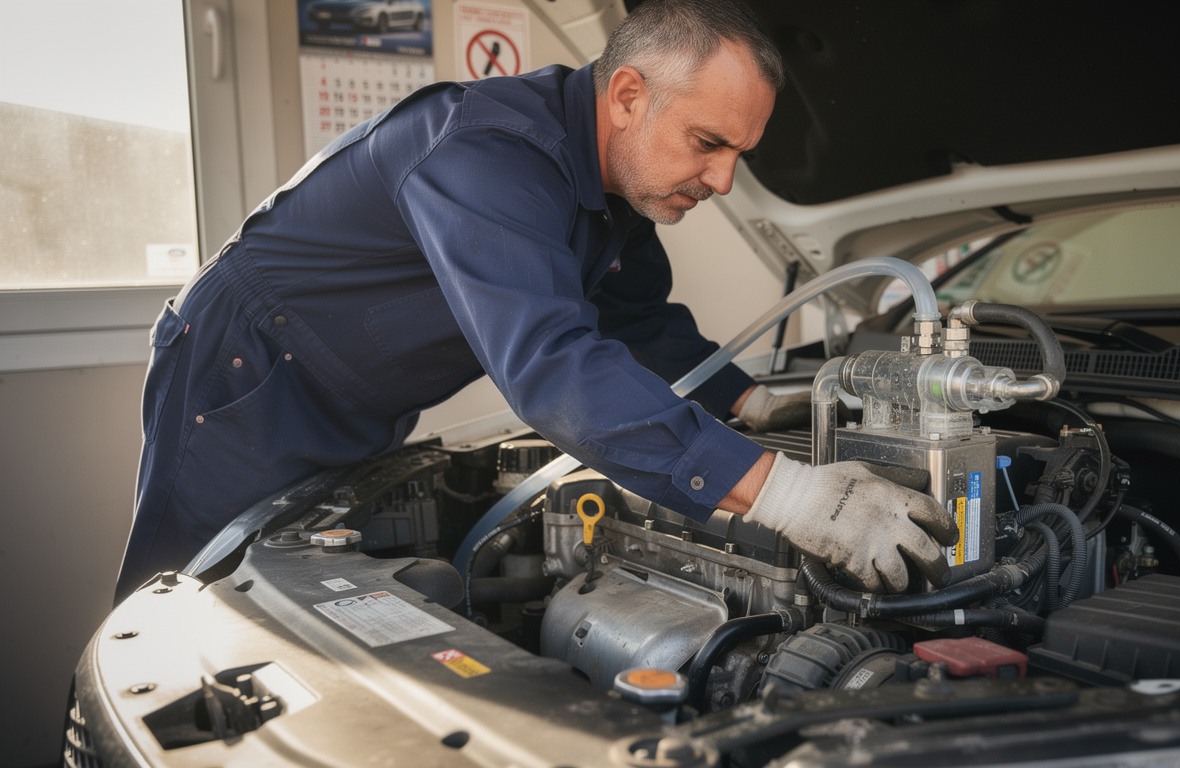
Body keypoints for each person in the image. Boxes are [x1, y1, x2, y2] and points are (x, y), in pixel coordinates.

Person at [116, 0, 957, 604]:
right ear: (628, 96)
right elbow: (554, 365)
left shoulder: (611, 193)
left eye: (740, 151)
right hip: (246, 366)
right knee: (196, 609)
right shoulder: (491, 153)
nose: (724, 180)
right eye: (708, 143)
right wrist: (789, 496)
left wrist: (753, 401)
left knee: (299, 596)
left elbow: (634, 321)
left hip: (354, 391)